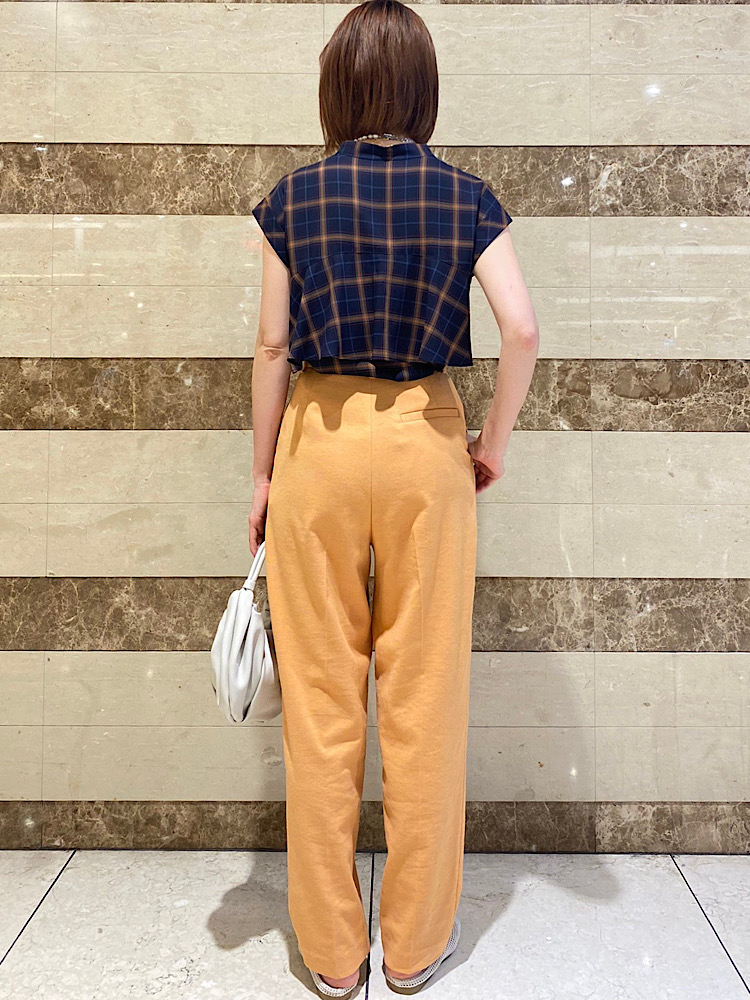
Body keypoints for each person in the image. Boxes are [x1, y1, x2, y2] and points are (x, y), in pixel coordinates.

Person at [248, 1, 539, 994]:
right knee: (425, 699)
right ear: (423, 88)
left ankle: (333, 955)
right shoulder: (467, 196)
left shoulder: (293, 198)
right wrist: (490, 444)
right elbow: (523, 329)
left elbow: (274, 346)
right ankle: (413, 947)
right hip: (425, 439)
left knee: (321, 702)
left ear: (336, 85)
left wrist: (263, 474)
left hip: (318, 443)